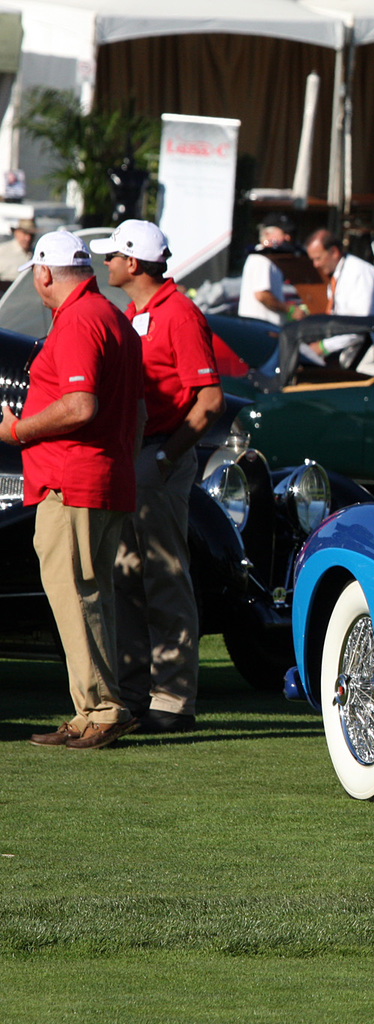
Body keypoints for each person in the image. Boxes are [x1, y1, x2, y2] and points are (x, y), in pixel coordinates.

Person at [0, 230, 143, 749]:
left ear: (43, 274)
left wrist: (17, 431)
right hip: (101, 476)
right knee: (92, 596)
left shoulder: (81, 320)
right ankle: (93, 709)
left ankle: (102, 709)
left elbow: (81, 405)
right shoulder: (108, 317)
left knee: (76, 596)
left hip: (73, 480)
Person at [90, 220, 224, 734]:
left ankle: (172, 699)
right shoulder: (139, 312)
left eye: (113, 256)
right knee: (125, 575)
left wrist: (166, 459)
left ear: (134, 263)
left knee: (163, 578)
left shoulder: (179, 315)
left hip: (159, 456)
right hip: (138, 456)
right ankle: (135, 691)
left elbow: (208, 400)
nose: (106, 264)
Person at [304, 229, 374, 368]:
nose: (315, 265)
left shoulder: (359, 273)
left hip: (368, 356)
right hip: (349, 354)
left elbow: (357, 326)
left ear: (334, 252)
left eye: (318, 258)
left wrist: (323, 346)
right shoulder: (337, 276)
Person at [238, 213, 296, 325]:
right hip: (260, 329)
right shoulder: (262, 257)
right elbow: (262, 295)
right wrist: (290, 309)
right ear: (267, 233)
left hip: (261, 328)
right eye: (284, 233)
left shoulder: (268, 257)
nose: (288, 238)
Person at [0, 217, 37, 285]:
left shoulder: (37, 253)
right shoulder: (2, 251)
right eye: (25, 233)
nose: (28, 238)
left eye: (31, 234)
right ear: (16, 232)